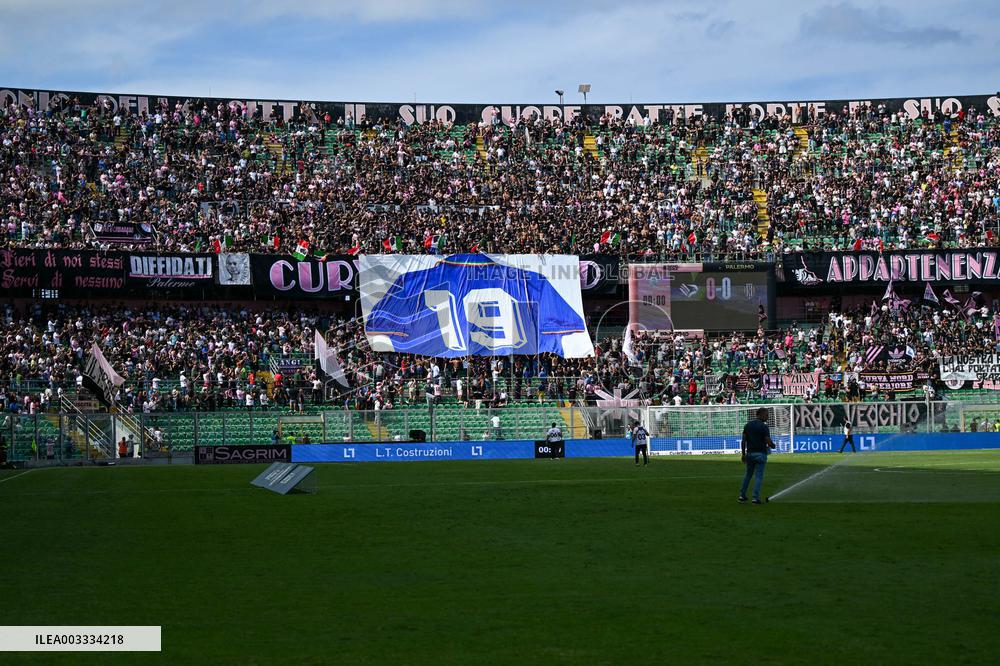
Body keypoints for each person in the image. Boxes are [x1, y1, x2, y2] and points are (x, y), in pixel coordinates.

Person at [739, 407, 775, 504]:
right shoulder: (764, 427)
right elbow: (767, 440)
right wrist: (773, 445)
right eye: (766, 415)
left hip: (749, 454)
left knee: (748, 475)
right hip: (760, 454)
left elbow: (743, 441)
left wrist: (743, 454)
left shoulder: (747, 425)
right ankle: (755, 497)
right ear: (760, 415)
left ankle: (742, 495)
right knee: (758, 476)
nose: (767, 417)